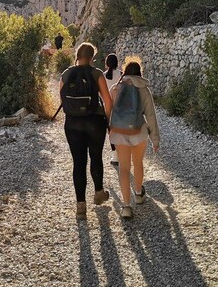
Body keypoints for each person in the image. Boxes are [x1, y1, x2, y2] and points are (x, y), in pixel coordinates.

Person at [59, 42, 114, 220]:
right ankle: (98, 192)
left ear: (77, 55)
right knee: (96, 157)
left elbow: (62, 98)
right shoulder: (96, 73)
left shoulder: (66, 74)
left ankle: (80, 206)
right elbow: (107, 100)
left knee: (78, 162)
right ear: (92, 57)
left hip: (73, 124)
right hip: (94, 121)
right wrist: (107, 120)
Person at [109, 57, 160, 219]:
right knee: (138, 163)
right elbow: (151, 116)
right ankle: (138, 194)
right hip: (139, 132)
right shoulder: (143, 89)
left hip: (120, 132)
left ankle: (125, 206)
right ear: (139, 73)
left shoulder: (115, 88)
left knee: (124, 168)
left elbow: (111, 112)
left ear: (124, 72)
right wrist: (155, 139)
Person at [104, 54, 122, 166]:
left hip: (107, 108)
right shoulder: (121, 74)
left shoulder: (102, 75)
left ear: (106, 63)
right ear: (117, 63)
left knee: (111, 131)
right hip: (120, 108)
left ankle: (115, 156)